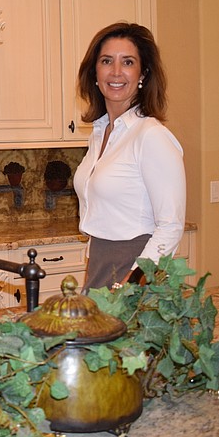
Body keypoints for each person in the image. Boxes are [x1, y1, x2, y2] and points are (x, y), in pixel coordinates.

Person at [72, 22, 186, 291]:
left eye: (128, 62)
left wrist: (130, 287)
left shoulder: (151, 135)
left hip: (135, 272)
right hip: (100, 268)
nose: (116, 72)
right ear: (95, 73)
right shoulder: (101, 133)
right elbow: (100, 218)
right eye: (107, 61)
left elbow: (170, 226)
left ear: (142, 73)